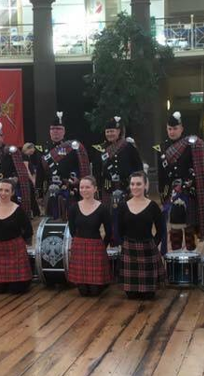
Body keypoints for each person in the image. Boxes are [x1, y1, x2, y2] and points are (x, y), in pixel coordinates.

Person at [158, 111, 204, 253]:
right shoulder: (163, 147)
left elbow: (200, 167)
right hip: (171, 193)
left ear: (182, 129)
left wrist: (192, 185)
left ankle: (191, 257)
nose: (172, 132)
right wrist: (163, 194)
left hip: (188, 192)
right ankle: (176, 257)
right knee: (175, 229)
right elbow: (162, 174)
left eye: (175, 128)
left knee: (189, 228)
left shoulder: (191, 145)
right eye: (169, 129)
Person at [93, 116, 142, 246]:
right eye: (107, 131)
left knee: (128, 218)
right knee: (109, 220)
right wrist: (97, 190)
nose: (110, 134)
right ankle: (114, 246)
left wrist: (137, 188)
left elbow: (138, 168)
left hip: (126, 189)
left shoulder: (128, 147)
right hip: (108, 189)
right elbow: (97, 172)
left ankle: (128, 244)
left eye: (112, 131)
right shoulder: (100, 149)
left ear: (119, 131)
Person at [118, 171, 166, 300]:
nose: (135, 187)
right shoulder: (123, 206)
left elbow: (161, 230)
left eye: (138, 184)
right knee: (131, 296)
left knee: (148, 296)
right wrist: (124, 244)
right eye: (132, 184)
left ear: (145, 185)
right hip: (129, 251)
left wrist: (152, 245)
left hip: (148, 252)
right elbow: (118, 230)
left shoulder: (153, 206)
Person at [36, 111, 91, 221]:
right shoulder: (43, 149)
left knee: (71, 220)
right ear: (49, 131)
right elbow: (40, 173)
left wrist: (78, 180)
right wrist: (40, 194)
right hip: (51, 190)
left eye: (59, 129)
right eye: (53, 129)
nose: (55, 132)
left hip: (70, 189)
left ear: (64, 131)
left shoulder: (72, 148)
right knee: (51, 219)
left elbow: (82, 167)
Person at [0, 178, 33, 294]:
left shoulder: (18, 210)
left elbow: (28, 230)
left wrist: (19, 241)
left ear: (12, 193)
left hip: (16, 251)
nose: (3, 193)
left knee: (16, 290)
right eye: (0, 190)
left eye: (6, 190)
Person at [68, 176, 114, 297]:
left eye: (87, 187)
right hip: (79, 247)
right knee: (83, 292)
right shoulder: (73, 208)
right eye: (81, 187)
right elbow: (72, 230)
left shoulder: (103, 208)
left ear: (95, 189)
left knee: (94, 292)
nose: (84, 190)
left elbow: (109, 232)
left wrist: (101, 247)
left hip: (96, 247)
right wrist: (78, 243)